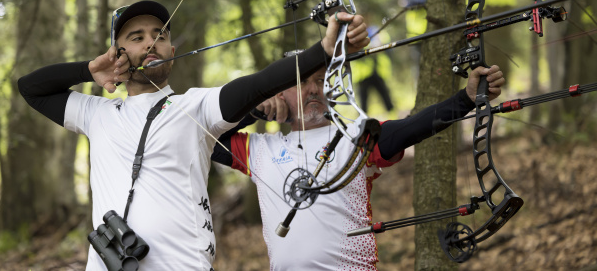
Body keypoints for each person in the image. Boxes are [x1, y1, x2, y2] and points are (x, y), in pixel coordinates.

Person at [17, 0, 370, 271]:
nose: (151, 43)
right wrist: (88, 70)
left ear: (172, 50)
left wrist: (323, 51)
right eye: (136, 38)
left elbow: (259, 84)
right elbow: (31, 88)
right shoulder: (96, 114)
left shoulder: (195, 106)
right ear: (118, 54)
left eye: (160, 35)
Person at [212, 58, 505, 270]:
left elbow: (413, 126)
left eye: (320, 80)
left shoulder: (356, 137)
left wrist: (465, 99)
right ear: (278, 93)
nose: (313, 89)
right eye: (300, 82)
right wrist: (254, 109)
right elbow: (203, 136)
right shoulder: (260, 150)